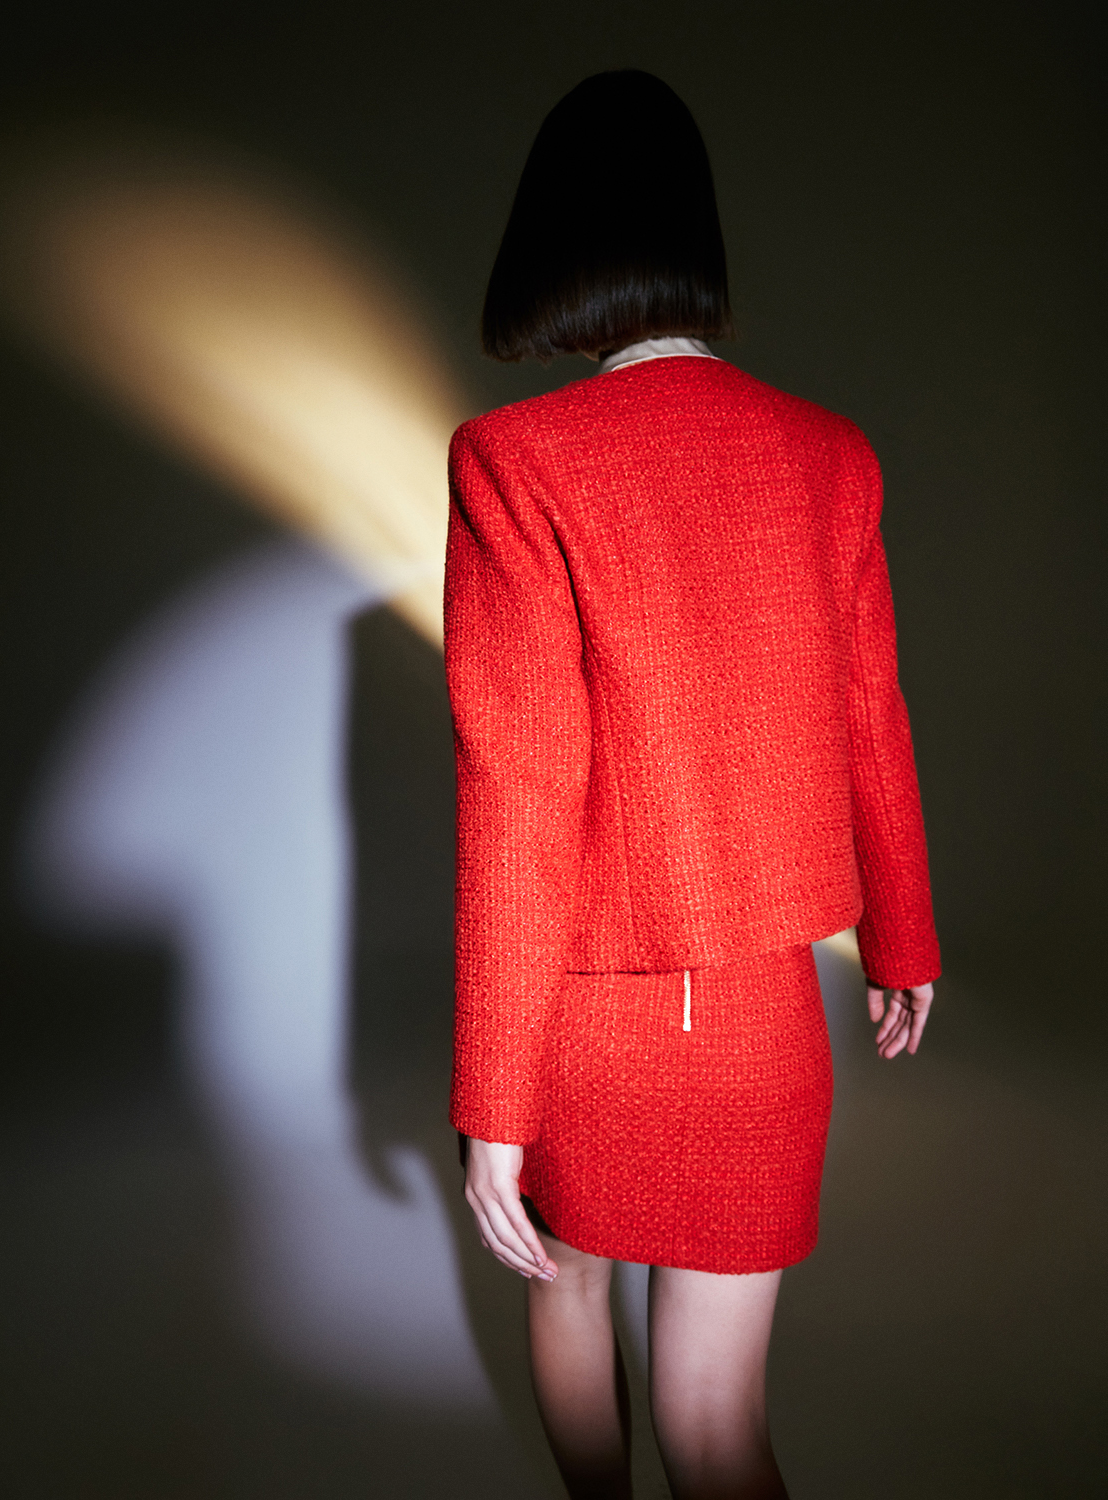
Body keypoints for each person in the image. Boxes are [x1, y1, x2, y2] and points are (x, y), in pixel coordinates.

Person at [443, 70, 939, 1500]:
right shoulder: (830, 456)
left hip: (583, 1021)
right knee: (720, 1427)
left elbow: (517, 789)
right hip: (762, 1020)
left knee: (566, 1295)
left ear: (550, 241)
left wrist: (491, 1095)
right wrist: (902, 940)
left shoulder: (514, 461)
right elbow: (871, 715)